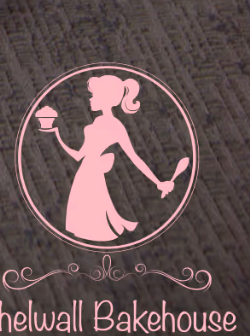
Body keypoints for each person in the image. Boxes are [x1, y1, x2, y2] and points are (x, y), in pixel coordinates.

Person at [51, 75, 177, 242]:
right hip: (85, 174)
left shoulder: (116, 126)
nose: (90, 99)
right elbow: (79, 155)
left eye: (94, 95)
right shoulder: (96, 123)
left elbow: (134, 157)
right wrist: (56, 135)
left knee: (93, 221)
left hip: (93, 174)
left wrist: (158, 182)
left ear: (105, 98)